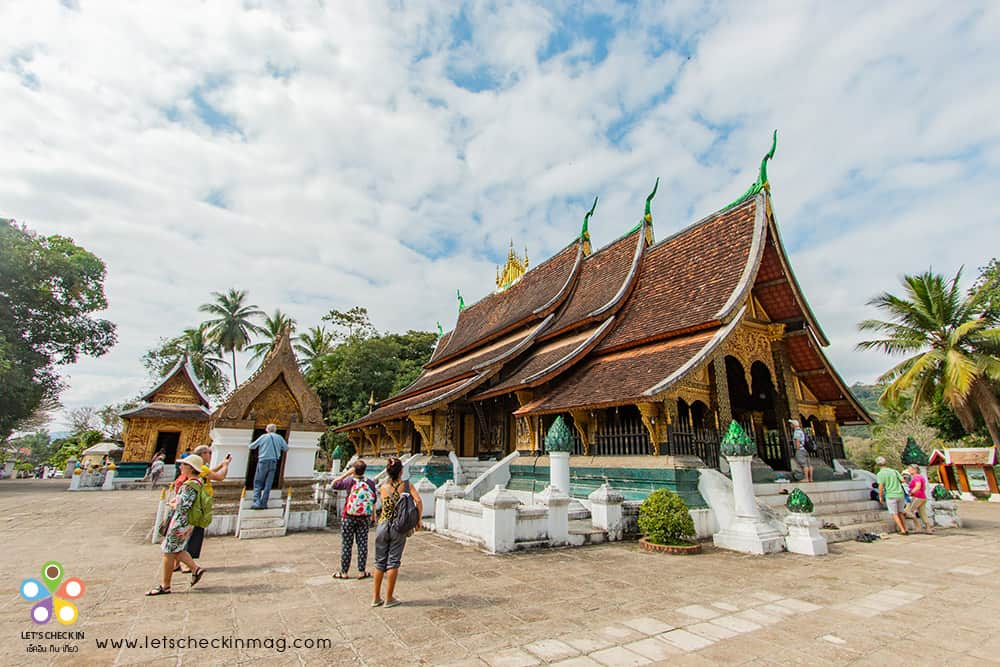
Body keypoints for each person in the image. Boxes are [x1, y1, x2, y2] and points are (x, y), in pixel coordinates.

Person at [146, 454, 207, 595]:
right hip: (188, 523)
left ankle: (165, 585)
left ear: (190, 468)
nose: (180, 467)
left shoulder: (190, 485)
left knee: (169, 551)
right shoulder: (199, 482)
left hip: (181, 522)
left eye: (183, 465)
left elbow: (184, 506)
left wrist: (173, 504)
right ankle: (195, 569)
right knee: (176, 549)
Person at [372, 457, 422, 608]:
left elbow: (378, 504)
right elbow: (418, 501)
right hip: (398, 527)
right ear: (401, 471)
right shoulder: (406, 485)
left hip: (382, 525)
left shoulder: (383, 487)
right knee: (393, 561)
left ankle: (375, 598)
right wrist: (418, 520)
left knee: (379, 562)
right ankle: (389, 598)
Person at [175, 445, 232, 573]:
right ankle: (187, 564)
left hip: (189, 505)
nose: (210, 455)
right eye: (209, 452)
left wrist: (221, 464)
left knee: (184, 532)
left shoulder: (197, 467)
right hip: (197, 506)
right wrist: (226, 465)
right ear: (203, 454)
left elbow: (209, 473)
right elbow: (220, 477)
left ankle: (177, 562)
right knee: (192, 533)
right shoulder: (200, 467)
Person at [330, 460, 377, 580]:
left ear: (353, 470)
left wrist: (346, 474)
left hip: (349, 517)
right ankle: (362, 571)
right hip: (364, 517)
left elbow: (334, 484)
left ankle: (344, 572)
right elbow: (374, 500)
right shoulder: (370, 483)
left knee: (347, 544)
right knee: (362, 544)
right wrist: (373, 516)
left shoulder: (349, 481)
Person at [249, 424, 287, 509]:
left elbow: (252, 446)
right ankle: (264, 503)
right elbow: (286, 448)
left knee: (258, 481)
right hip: (273, 461)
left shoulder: (264, 437)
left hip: (263, 461)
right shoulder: (279, 438)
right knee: (268, 483)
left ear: (267, 429)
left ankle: (257, 502)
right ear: (275, 430)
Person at [876, 456, 908, 535]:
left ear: (878, 465)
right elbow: (902, 480)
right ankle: (906, 528)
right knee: (901, 512)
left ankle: (902, 530)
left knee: (894, 513)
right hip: (900, 494)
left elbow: (881, 486)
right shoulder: (894, 471)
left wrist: (880, 496)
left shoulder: (880, 474)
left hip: (891, 495)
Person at [905, 463, 933, 534]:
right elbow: (924, 487)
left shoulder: (916, 477)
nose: (908, 470)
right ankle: (928, 528)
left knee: (909, 511)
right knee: (922, 513)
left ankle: (918, 526)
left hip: (917, 497)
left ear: (914, 470)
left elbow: (918, 486)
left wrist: (911, 492)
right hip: (923, 497)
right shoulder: (921, 477)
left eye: (910, 469)